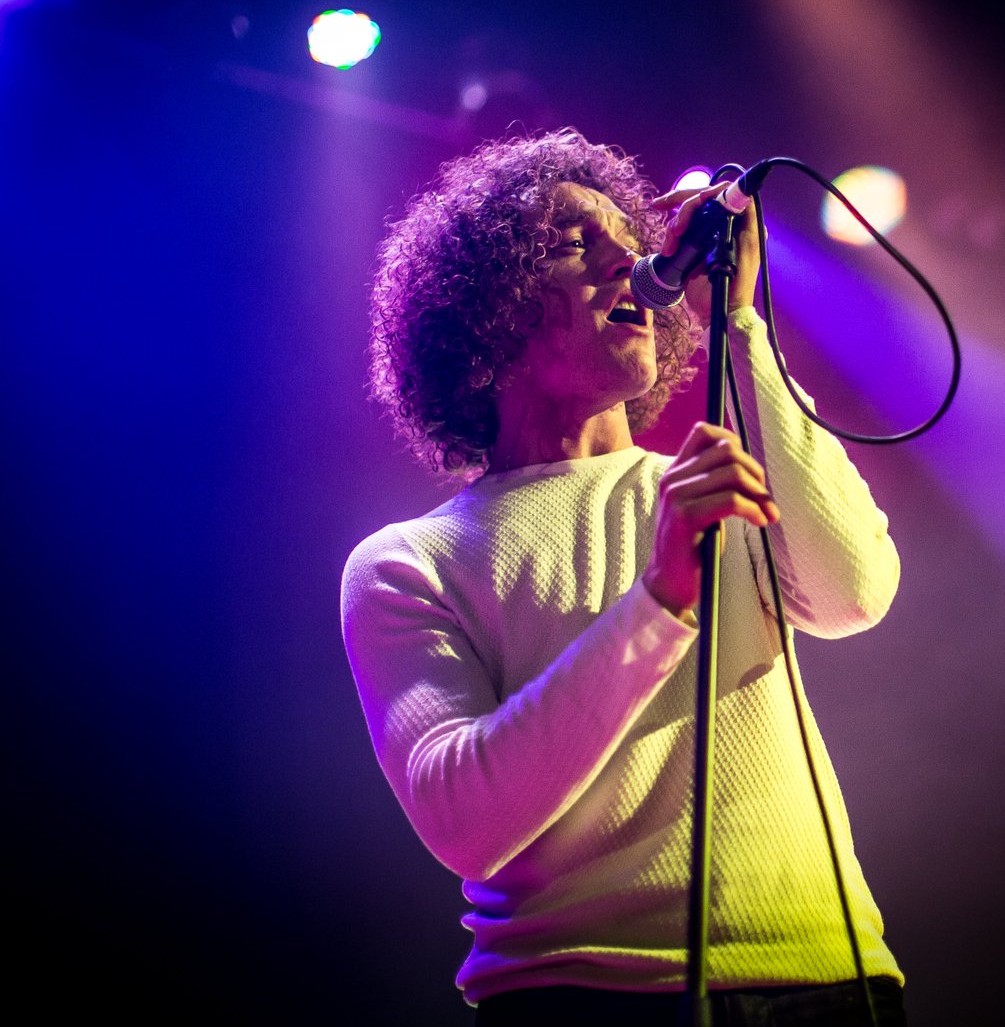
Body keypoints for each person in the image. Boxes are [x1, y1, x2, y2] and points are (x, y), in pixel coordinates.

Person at [340, 128, 906, 1026]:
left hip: (831, 981)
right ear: (486, 304)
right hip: (582, 1000)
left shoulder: (714, 478)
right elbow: (465, 824)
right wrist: (660, 599)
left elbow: (853, 594)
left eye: (629, 241)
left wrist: (742, 328)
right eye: (576, 243)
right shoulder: (410, 561)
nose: (629, 263)